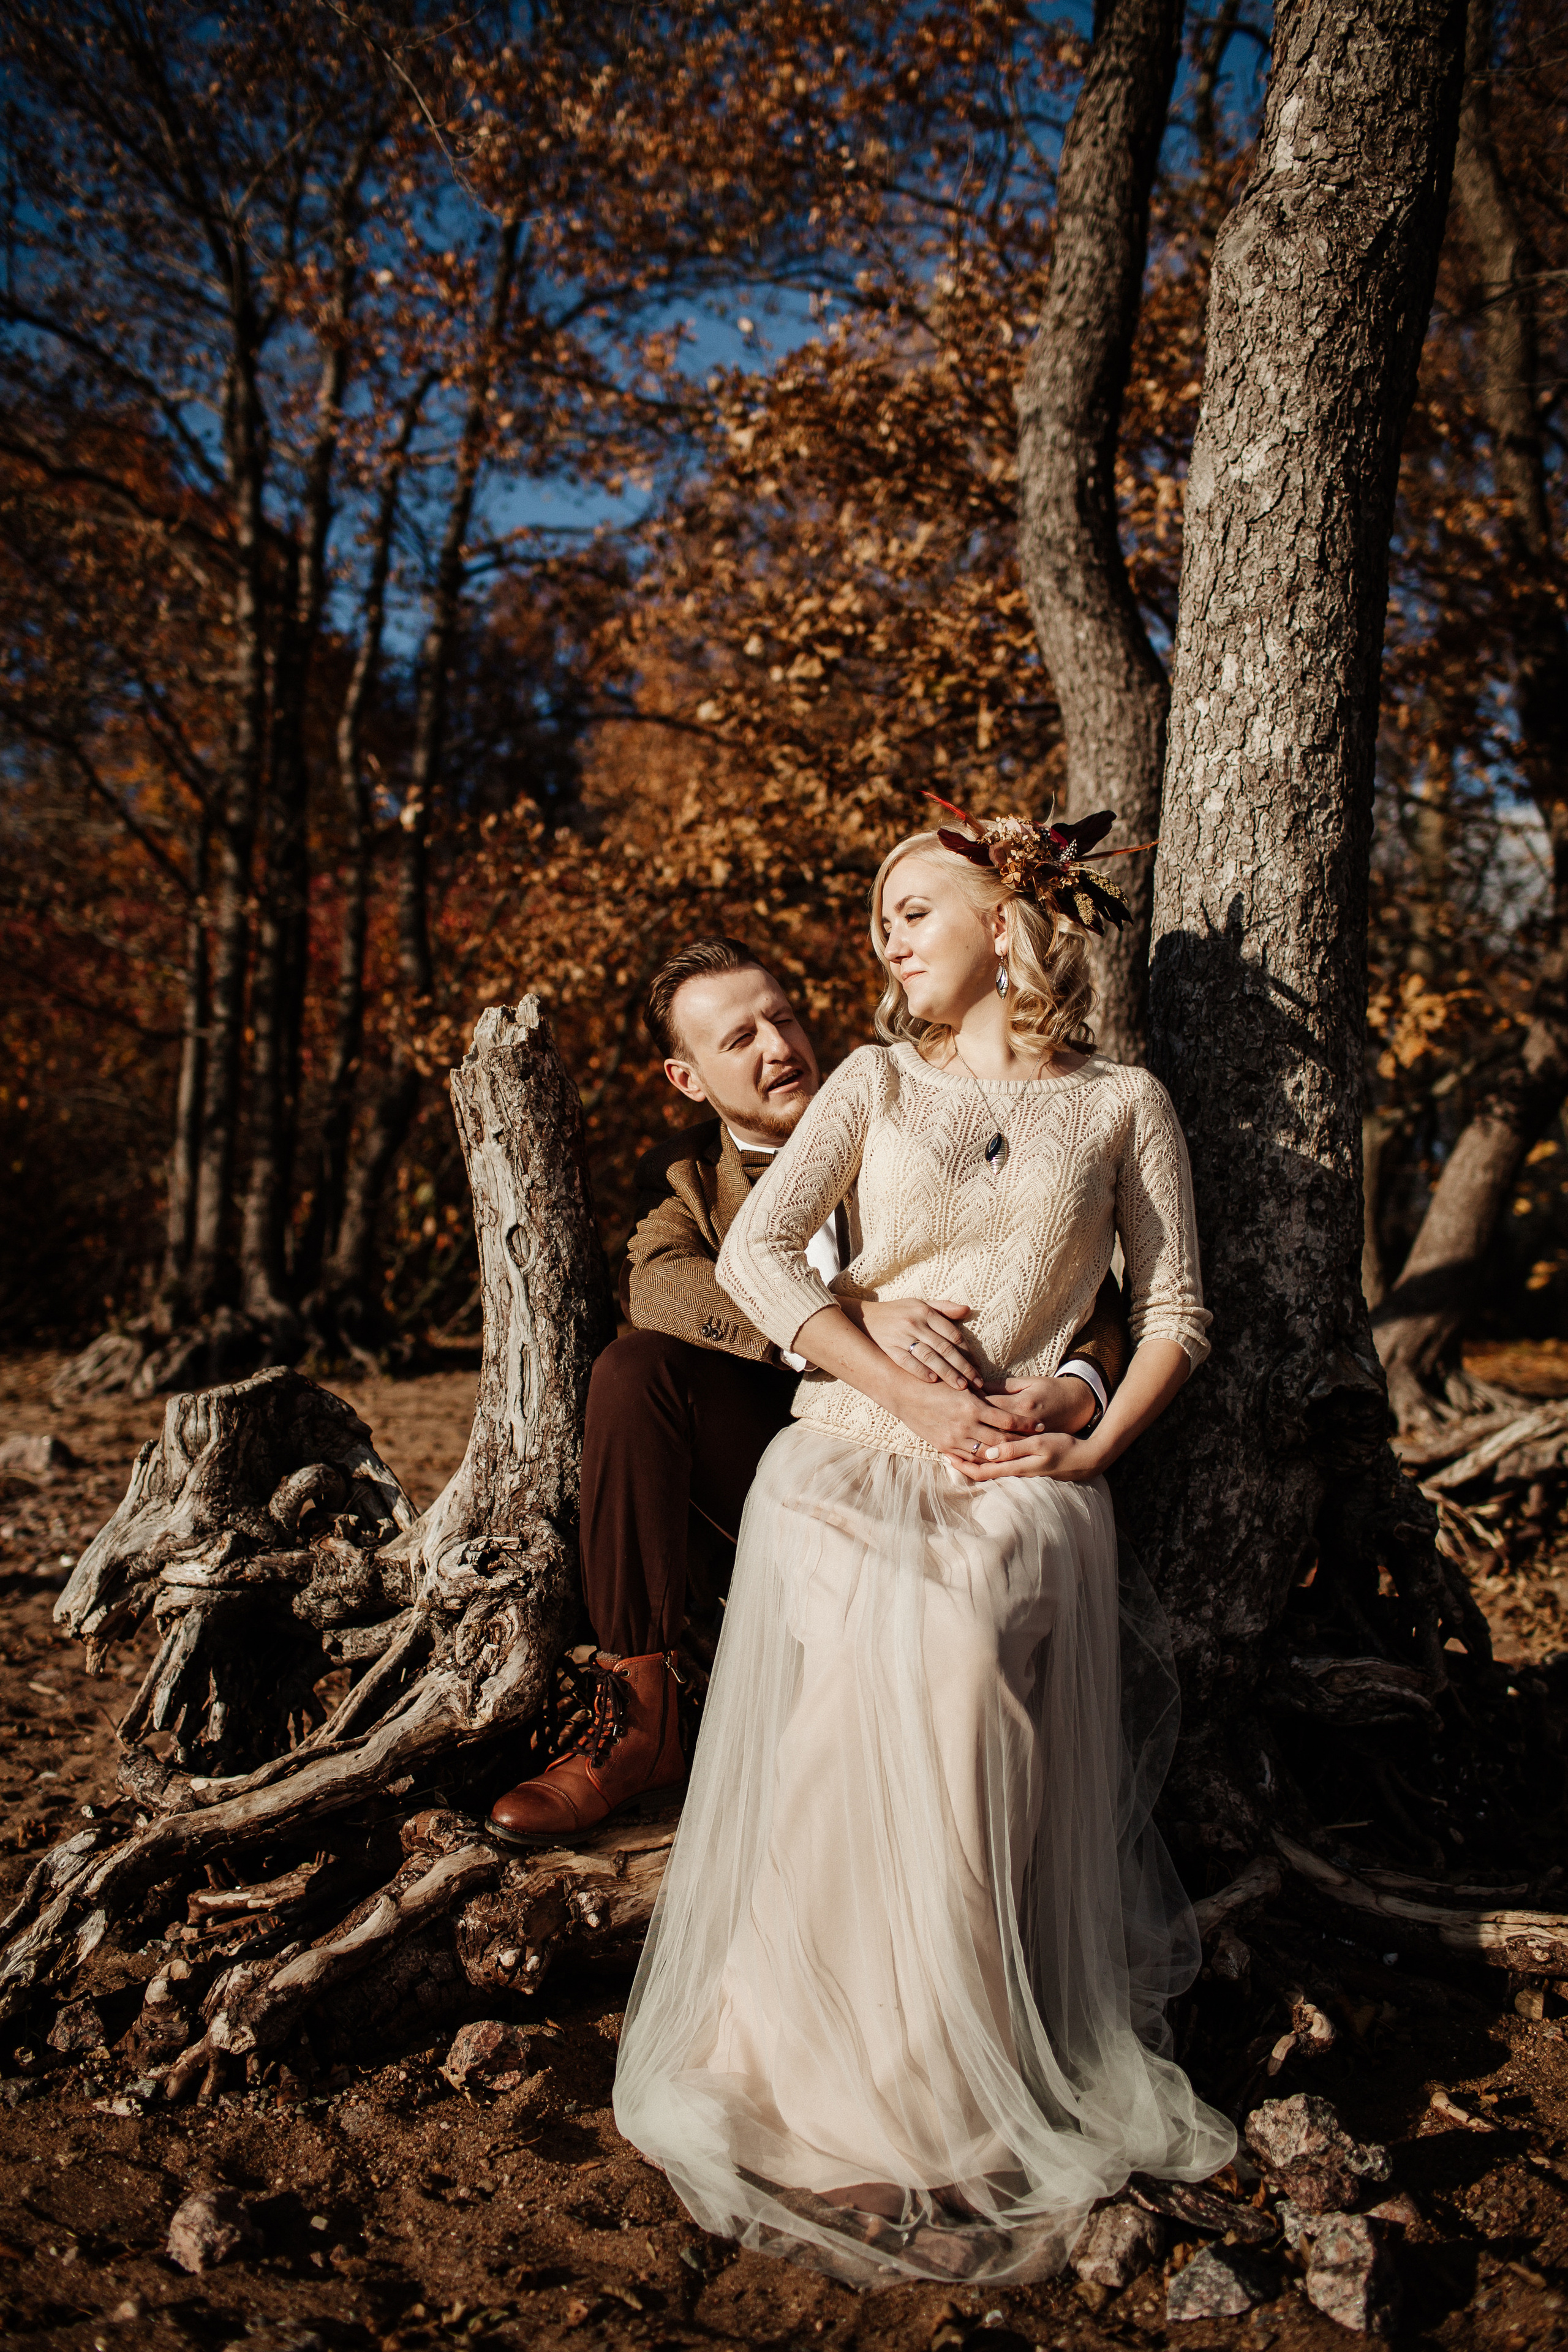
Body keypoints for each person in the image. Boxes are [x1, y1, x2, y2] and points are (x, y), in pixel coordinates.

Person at [611, 806, 1237, 2286]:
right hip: (843, 1454)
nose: (882, 934)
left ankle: (943, 2082)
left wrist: (1084, 1440)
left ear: (1004, 918)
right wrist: (884, 1375)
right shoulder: (874, 1083)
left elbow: (1175, 1313)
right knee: (851, 1674)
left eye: (910, 903)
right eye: (878, 911)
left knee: (962, 1652)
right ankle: (793, 2076)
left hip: (1022, 1472)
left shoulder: (1121, 1104)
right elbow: (759, 1251)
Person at [488, 935, 1129, 1845]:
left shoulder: (916, 1111)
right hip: (788, 1443)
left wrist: (1080, 1384)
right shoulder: (686, 1176)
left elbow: (1081, 1280)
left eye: (782, 1017)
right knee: (634, 1372)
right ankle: (639, 1717)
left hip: (969, 1440)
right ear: (687, 1078)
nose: (778, 1046)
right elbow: (660, 1281)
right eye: (739, 1039)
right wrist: (844, 1323)